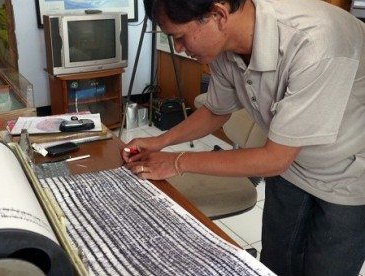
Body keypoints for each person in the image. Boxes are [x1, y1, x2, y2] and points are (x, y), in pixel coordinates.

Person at [121, 0, 365, 275]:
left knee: (326, 269)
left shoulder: (314, 43)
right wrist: (159, 142)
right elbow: (215, 111)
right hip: (292, 169)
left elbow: (275, 159)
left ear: (218, 14)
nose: (178, 48)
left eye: (180, 37)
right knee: (275, 262)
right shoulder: (227, 47)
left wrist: (177, 161)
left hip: (347, 175)